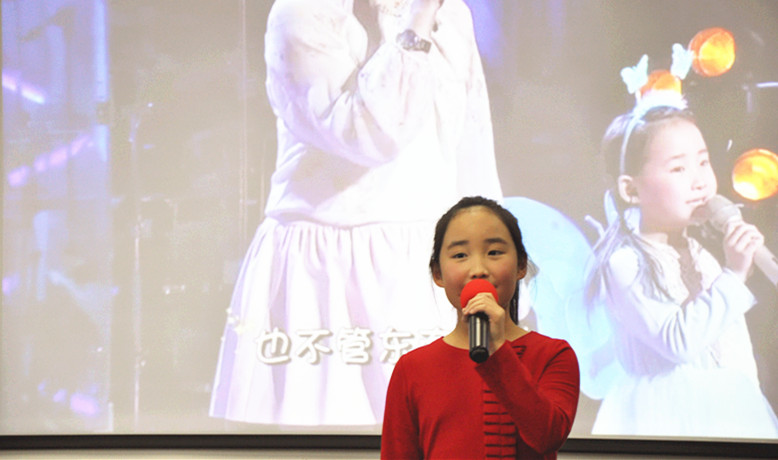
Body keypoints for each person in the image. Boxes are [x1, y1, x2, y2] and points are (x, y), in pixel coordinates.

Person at [209, 0, 502, 427]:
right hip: (328, 273)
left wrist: (495, 265)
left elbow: (471, 141)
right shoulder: (302, 14)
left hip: (422, 267)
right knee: (329, 440)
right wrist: (416, 24)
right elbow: (369, 133)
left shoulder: (449, 14)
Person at [585, 87, 778, 438]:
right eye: (678, 168)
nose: (699, 181)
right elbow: (678, 342)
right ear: (631, 190)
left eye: (703, 162)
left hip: (728, 414)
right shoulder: (625, 263)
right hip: (663, 417)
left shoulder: (703, 256)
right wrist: (734, 274)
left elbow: (736, 348)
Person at [381, 196, 580, 459]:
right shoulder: (412, 368)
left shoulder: (553, 355)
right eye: (460, 255)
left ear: (521, 265)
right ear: (438, 273)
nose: (478, 270)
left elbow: (548, 436)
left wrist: (497, 349)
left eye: (494, 252)